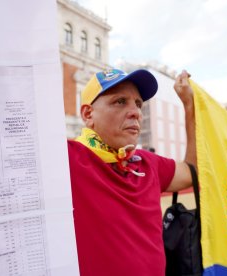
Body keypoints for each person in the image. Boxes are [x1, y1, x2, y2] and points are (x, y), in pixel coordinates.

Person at [67, 68, 196, 276]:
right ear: (88, 114)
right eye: (120, 101)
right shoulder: (65, 160)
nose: (136, 112)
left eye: (138, 104)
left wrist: (189, 106)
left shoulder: (148, 163)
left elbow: (192, 172)